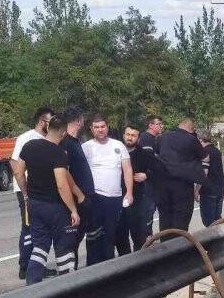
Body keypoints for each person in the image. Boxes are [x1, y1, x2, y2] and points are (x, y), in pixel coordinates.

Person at [14, 115, 80, 285]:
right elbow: (61, 185)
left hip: (35, 205)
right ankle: (67, 288)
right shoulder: (58, 153)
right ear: (64, 133)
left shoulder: (29, 146)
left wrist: (26, 192)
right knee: (64, 249)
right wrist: (73, 209)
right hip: (56, 207)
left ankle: (32, 287)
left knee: (39, 248)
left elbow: (19, 172)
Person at [82, 115, 133, 264]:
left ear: (107, 127)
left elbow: (127, 169)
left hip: (115, 199)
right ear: (91, 129)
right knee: (95, 237)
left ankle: (110, 267)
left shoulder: (118, 145)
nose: (100, 130)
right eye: (96, 127)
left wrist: (129, 192)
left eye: (102, 126)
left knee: (112, 235)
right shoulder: (86, 147)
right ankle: (93, 268)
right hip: (95, 198)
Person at [10, 107, 52, 279]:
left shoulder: (49, 138)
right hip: (26, 190)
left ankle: (38, 265)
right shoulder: (26, 138)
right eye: (51, 121)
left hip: (42, 191)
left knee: (40, 229)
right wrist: (25, 191)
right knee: (28, 227)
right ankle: (25, 266)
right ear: (42, 121)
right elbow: (14, 164)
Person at [59, 108, 93, 268]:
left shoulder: (75, 141)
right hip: (75, 199)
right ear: (79, 121)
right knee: (72, 240)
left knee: (79, 238)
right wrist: (79, 196)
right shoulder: (65, 142)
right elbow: (63, 173)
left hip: (85, 198)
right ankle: (70, 276)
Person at [158, 117, 205, 231]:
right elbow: (202, 155)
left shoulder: (163, 137)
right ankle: (179, 244)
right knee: (182, 217)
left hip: (163, 184)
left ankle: (165, 244)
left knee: (165, 216)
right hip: (182, 184)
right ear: (191, 129)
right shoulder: (191, 139)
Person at [115, 125, 157, 251]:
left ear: (138, 138)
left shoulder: (144, 154)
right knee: (120, 236)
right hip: (117, 198)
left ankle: (139, 264)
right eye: (128, 135)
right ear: (123, 136)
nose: (130, 138)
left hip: (137, 200)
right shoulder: (115, 152)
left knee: (139, 236)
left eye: (133, 135)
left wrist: (146, 175)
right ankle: (125, 265)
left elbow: (159, 170)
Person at [197, 131, 224, 227]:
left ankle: (214, 240)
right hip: (220, 189)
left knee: (208, 221)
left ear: (200, 139)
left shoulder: (204, 152)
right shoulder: (216, 151)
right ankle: (222, 238)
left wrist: (196, 190)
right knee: (217, 218)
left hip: (208, 191)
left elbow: (204, 173)